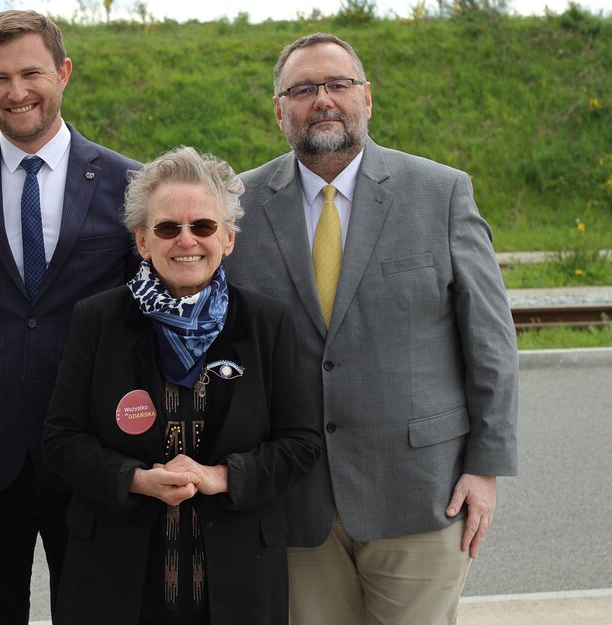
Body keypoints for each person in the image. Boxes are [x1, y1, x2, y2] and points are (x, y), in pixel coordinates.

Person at [222, 33, 519, 625]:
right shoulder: (239, 207)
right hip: (294, 501)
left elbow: (491, 342)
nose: (323, 99)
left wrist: (484, 469)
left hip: (420, 492)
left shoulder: (440, 192)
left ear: (367, 98)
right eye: (302, 89)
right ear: (279, 110)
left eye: (338, 85)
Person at [0, 10, 140, 623]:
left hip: (94, 448)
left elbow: (142, 323)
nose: (17, 92)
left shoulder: (131, 185)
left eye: (32, 72)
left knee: (92, 611)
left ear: (63, 73)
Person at [42, 146, 322, 625]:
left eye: (203, 226)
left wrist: (223, 476)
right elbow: (62, 441)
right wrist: (135, 479)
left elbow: (301, 443)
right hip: (117, 578)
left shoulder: (267, 323)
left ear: (229, 238)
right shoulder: (99, 320)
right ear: (143, 241)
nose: (186, 240)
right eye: (168, 228)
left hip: (238, 580)